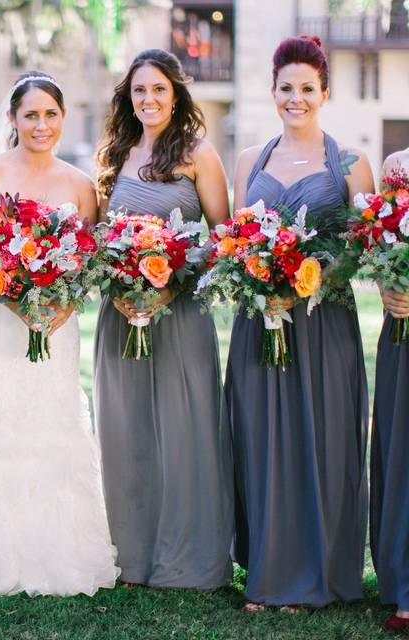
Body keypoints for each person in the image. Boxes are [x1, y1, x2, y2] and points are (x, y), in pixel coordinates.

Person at [0, 71, 120, 596]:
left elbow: (87, 260)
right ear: (13, 120)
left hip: (54, 324)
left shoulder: (80, 184)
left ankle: (53, 550)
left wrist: (62, 302)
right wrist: (8, 293)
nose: (41, 124)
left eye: (51, 115)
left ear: (63, 119)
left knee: (50, 414)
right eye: (31, 115)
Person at [227, 34, 374, 612]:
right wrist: (261, 285)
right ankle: (269, 569)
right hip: (259, 321)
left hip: (322, 326)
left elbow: (362, 249)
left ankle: (317, 571)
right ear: (273, 91)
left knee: (323, 440)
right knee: (263, 441)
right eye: (286, 88)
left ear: (325, 92)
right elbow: (235, 240)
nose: (296, 99)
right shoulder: (250, 161)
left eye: (307, 89)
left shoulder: (351, 163)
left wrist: (309, 283)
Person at [93, 49, 233, 589]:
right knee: (126, 430)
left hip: (180, 315)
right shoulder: (116, 153)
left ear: (176, 93)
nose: (148, 100)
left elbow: (224, 239)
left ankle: (188, 560)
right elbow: (101, 240)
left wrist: (170, 282)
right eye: (138, 91)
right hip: (123, 314)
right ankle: (130, 555)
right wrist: (122, 286)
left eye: (158, 89)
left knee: (185, 428)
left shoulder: (199, 153)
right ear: (128, 99)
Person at [370, 146, 409, 633]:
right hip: (402, 329)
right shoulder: (397, 165)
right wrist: (389, 286)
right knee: (402, 448)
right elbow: (380, 245)